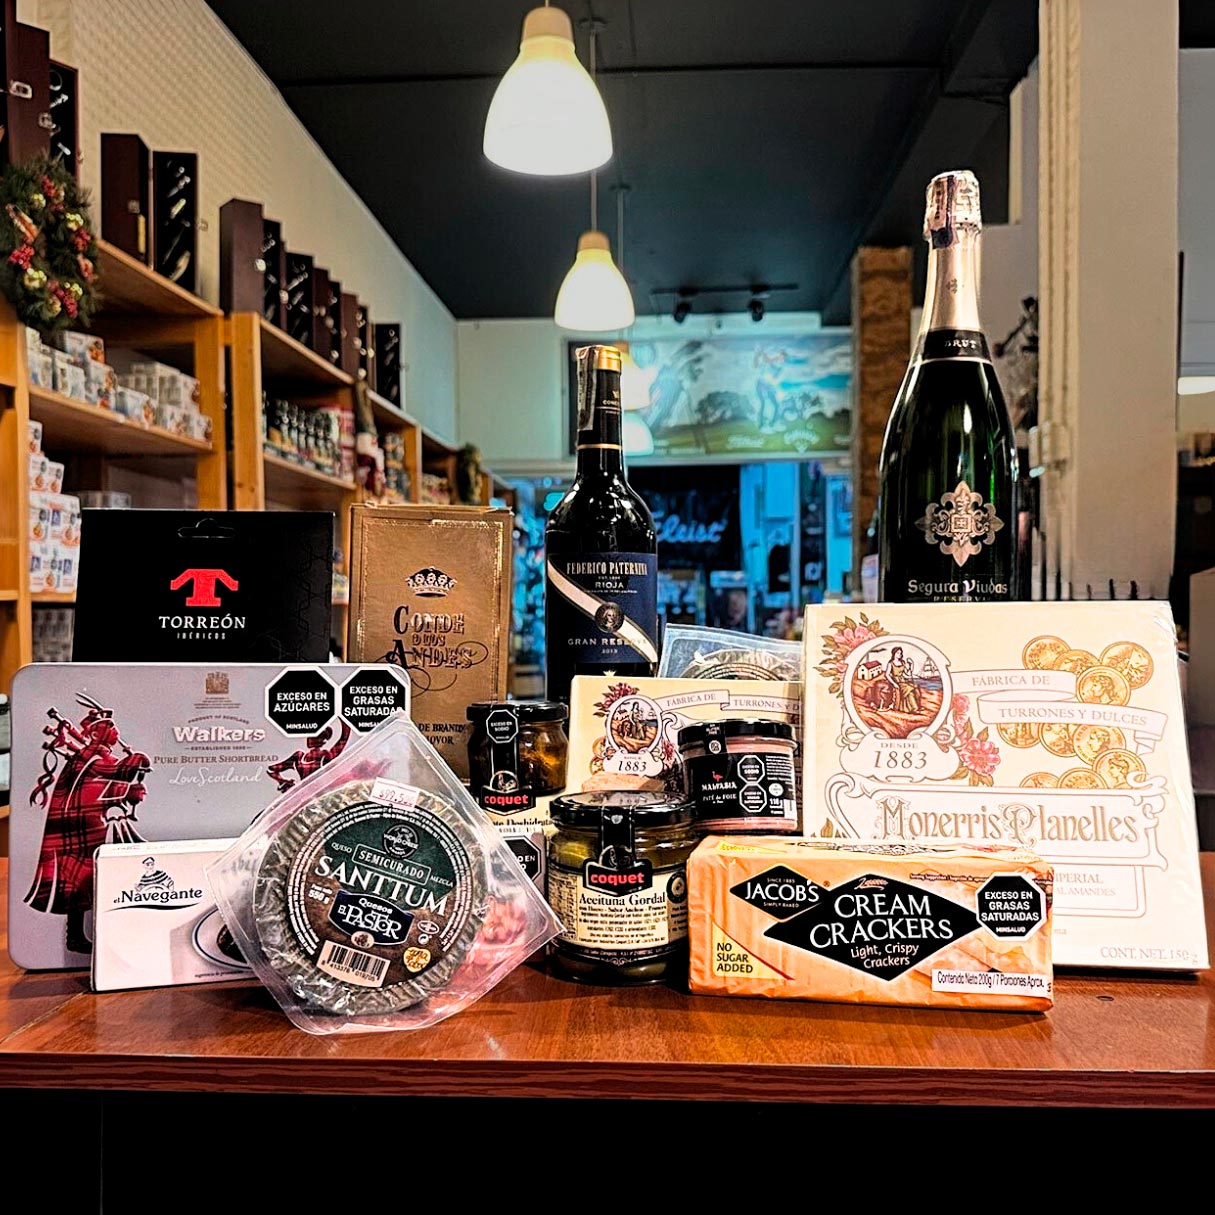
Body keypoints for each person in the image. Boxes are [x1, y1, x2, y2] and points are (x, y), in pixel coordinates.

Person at [25, 697, 151, 955]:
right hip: (76, 828)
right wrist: (129, 783)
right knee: (80, 882)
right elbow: (96, 786)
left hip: (84, 827)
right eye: (110, 727)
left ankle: (82, 937)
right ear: (97, 733)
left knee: (82, 883)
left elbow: (113, 774)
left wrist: (132, 772)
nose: (115, 732)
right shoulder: (90, 757)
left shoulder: (96, 756)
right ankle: (78, 938)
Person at [884, 646, 921, 714]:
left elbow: (906, 673)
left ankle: (909, 708)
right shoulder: (891, 663)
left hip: (903, 681)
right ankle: (914, 708)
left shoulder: (903, 662)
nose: (899, 654)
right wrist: (894, 683)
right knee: (909, 689)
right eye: (897, 653)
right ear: (894, 653)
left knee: (913, 688)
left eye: (900, 653)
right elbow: (887, 675)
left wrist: (910, 667)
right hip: (896, 681)